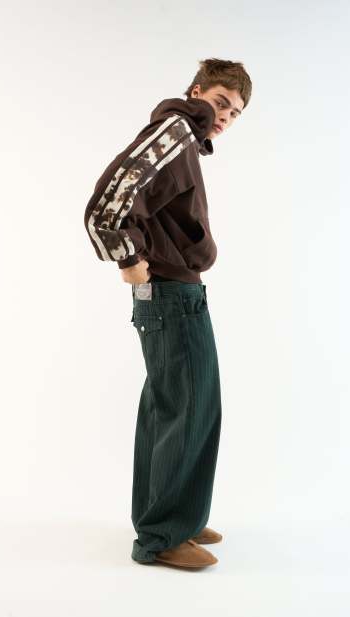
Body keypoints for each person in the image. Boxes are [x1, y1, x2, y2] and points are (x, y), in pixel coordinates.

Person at [84, 58, 252, 568]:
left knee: (188, 407)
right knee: (184, 407)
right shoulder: (174, 132)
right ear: (197, 91)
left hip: (182, 291)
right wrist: (128, 258)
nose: (225, 117)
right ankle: (160, 537)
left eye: (235, 113)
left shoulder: (184, 140)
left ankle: (183, 517)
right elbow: (107, 203)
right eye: (220, 103)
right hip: (168, 292)